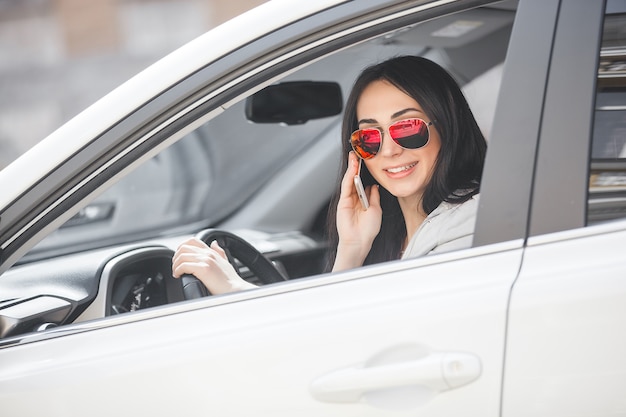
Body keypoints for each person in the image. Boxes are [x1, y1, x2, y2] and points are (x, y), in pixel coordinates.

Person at [171, 55, 486, 293]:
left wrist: (236, 290)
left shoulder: (471, 223)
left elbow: (367, 330)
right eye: (369, 137)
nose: (388, 151)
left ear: (448, 126)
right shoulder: (392, 235)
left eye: (407, 128)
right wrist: (352, 248)